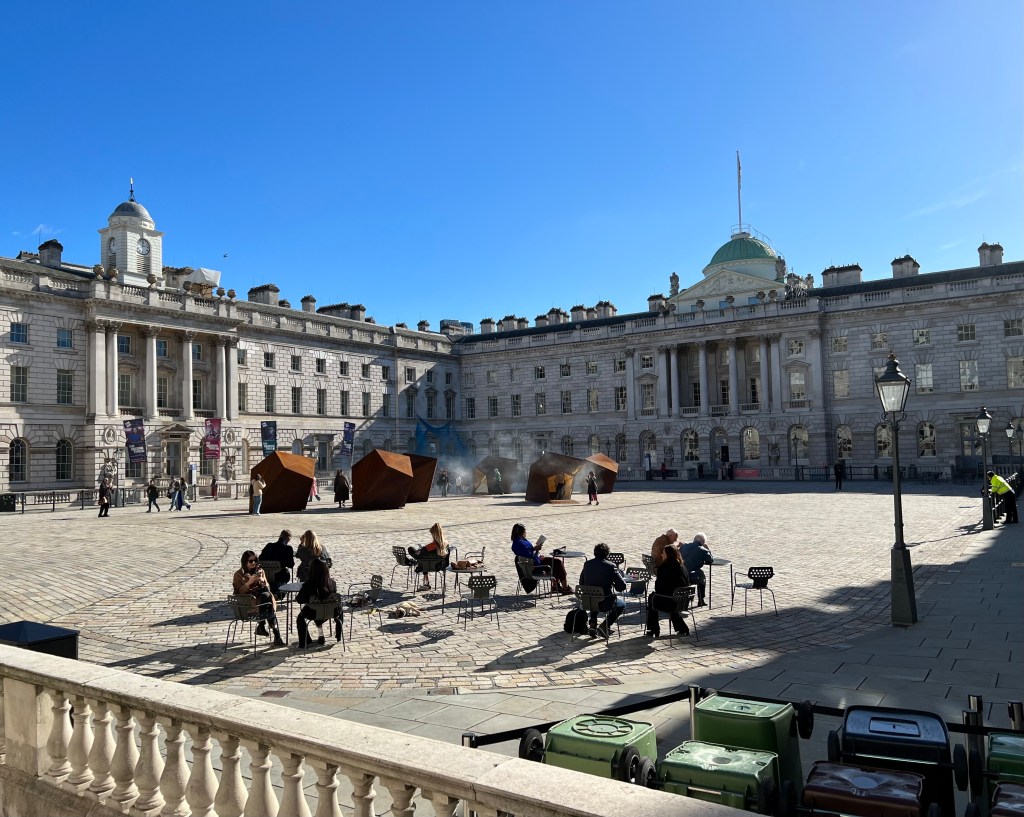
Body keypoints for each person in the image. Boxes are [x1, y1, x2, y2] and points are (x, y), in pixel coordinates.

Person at [232, 550, 285, 647]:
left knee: (266, 595)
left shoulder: (260, 571)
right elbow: (238, 593)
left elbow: (267, 589)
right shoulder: (238, 574)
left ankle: (261, 625)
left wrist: (262, 581)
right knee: (268, 605)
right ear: (245, 562)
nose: (253, 563)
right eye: (250, 561)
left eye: (255, 560)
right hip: (248, 605)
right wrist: (249, 583)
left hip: (261, 602)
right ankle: (275, 633)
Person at [578, 543, 627, 639]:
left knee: (593, 595)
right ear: (607, 554)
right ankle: (605, 625)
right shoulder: (611, 566)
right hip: (605, 603)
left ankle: (592, 624)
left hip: (588, 602)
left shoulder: (587, 564)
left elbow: (581, 582)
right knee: (621, 605)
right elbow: (622, 586)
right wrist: (614, 583)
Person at [645, 544, 691, 638]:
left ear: (668, 554)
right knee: (660, 598)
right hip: (683, 601)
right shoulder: (682, 567)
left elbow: (658, 588)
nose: (661, 555)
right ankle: (681, 627)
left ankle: (653, 629)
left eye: (663, 553)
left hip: (671, 601)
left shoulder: (664, 567)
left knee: (652, 598)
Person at [511, 522, 571, 593]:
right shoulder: (522, 543)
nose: (526, 533)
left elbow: (526, 553)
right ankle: (565, 588)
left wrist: (535, 549)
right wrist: (537, 554)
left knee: (554, 563)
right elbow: (530, 557)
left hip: (530, 564)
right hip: (535, 566)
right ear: (522, 532)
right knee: (558, 563)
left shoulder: (516, 542)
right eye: (525, 531)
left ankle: (556, 586)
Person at [295, 558, 342, 647]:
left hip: (313, 613)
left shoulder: (308, 585)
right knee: (339, 609)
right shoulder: (332, 583)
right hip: (331, 612)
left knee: (301, 618)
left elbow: (300, 600)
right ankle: (337, 635)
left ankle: (305, 641)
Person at [408, 522, 450, 591]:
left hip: (428, 565)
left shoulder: (431, 546)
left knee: (412, 550)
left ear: (434, 535)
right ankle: (426, 583)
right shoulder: (446, 544)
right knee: (426, 560)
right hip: (440, 565)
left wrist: (418, 551)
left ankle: (410, 562)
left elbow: (422, 551)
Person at [680, 532, 714, 607]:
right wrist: (707, 549)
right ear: (703, 542)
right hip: (691, 575)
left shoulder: (684, 546)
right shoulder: (703, 550)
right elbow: (710, 560)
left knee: (699, 573)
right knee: (702, 577)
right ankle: (701, 600)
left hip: (680, 573)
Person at [259, 529, 296, 597]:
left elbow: (260, 559)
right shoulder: (288, 548)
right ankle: (279, 593)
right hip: (279, 576)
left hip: (266, 575)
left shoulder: (269, 546)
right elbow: (291, 565)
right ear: (288, 539)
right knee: (285, 573)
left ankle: (273, 593)